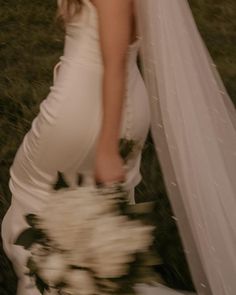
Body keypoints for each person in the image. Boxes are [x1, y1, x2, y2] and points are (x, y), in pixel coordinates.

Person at [1, 0, 236, 294]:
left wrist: (107, 148)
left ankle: (62, 281)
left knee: (31, 189)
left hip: (90, 106)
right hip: (116, 104)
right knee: (96, 213)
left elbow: (114, 64)